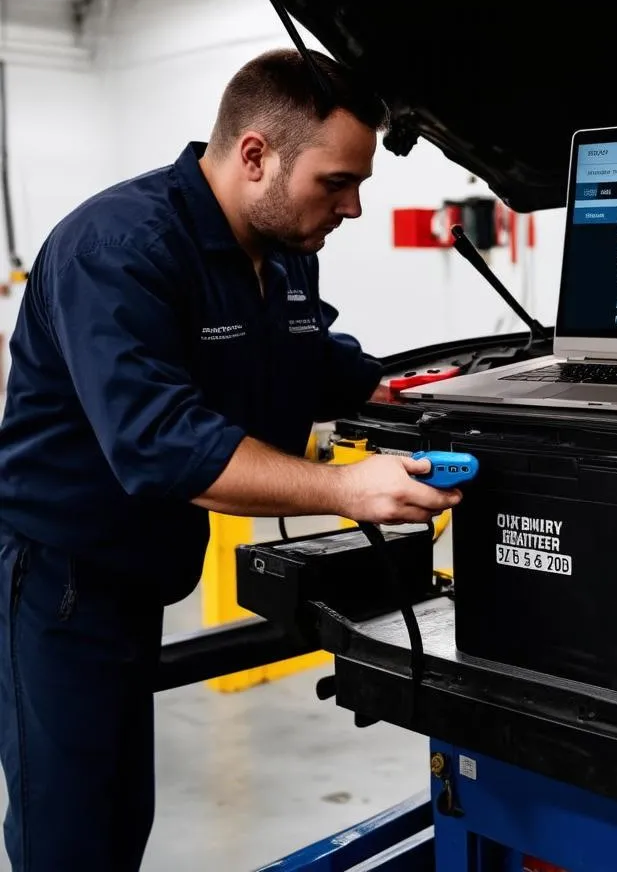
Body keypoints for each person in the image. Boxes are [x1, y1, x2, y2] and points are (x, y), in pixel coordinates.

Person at [0, 48, 461, 871]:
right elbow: (159, 445)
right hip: (59, 579)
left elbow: (303, 350)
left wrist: (397, 388)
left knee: (117, 818)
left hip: (142, 567)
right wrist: (343, 488)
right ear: (256, 155)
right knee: (71, 834)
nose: (352, 207)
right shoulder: (116, 248)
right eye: (335, 182)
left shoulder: (282, 247)